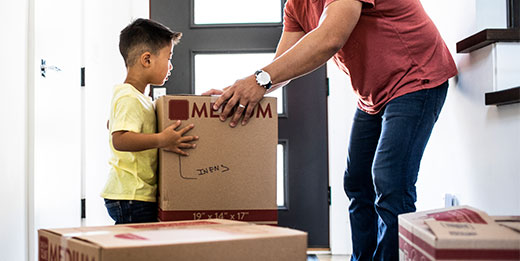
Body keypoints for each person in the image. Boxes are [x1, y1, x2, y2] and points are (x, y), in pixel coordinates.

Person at [203, 0, 457, 260]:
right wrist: (239, 92)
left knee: (390, 180)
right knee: (357, 182)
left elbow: (331, 37)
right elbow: (280, 66)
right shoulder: (295, 6)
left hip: (416, 78)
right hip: (373, 96)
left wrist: (259, 81)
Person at [101, 18, 198, 224]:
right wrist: (162, 140)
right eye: (168, 57)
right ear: (147, 60)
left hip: (136, 193)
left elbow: (114, 125)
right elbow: (120, 140)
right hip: (131, 195)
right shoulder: (128, 96)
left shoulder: (140, 99)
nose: (171, 66)